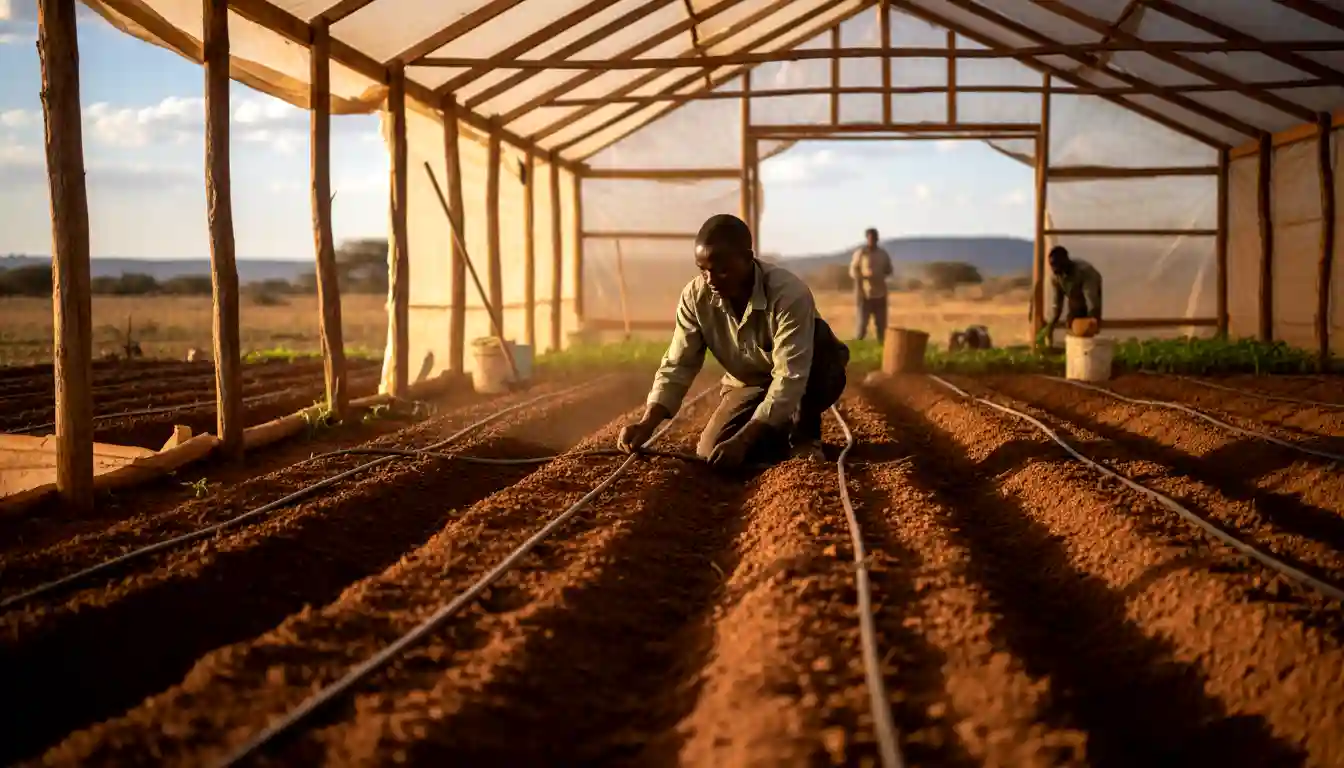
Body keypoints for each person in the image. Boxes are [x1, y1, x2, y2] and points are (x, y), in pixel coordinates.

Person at [616, 214, 850, 470]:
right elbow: (678, 364)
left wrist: (744, 439)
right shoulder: (695, 297)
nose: (711, 280)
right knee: (710, 451)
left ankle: (805, 435)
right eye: (703, 270)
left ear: (748, 259)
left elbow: (791, 376)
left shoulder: (788, 293)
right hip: (749, 382)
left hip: (811, 375)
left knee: (817, 341)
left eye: (722, 270)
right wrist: (647, 423)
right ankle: (777, 432)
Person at [1045, 246, 1102, 343]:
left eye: (1056, 265)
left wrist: (1092, 320)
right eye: (1052, 266)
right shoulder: (1056, 277)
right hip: (1075, 297)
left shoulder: (1084, 271)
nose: (1053, 269)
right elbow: (1057, 304)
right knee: (1072, 323)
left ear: (1065, 261)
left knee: (1088, 330)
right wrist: (1050, 327)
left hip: (1090, 294)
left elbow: (1091, 299)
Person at [850, 227, 893, 343]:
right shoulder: (861, 253)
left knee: (881, 326)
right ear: (867, 238)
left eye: (875, 237)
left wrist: (879, 274)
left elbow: (889, 270)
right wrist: (864, 276)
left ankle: (882, 349)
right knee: (862, 326)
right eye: (870, 237)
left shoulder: (883, 254)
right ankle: (857, 350)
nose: (873, 240)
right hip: (865, 294)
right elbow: (853, 271)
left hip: (880, 294)